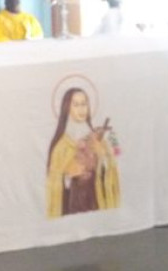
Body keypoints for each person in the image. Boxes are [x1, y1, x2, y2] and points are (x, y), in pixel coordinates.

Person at [45, 87, 120, 218]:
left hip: (96, 199)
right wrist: (68, 174)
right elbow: (54, 180)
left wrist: (103, 154)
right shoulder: (61, 146)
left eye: (84, 104)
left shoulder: (98, 137)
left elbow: (117, 154)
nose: (81, 109)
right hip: (72, 203)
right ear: (67, 108)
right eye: (76, 105)